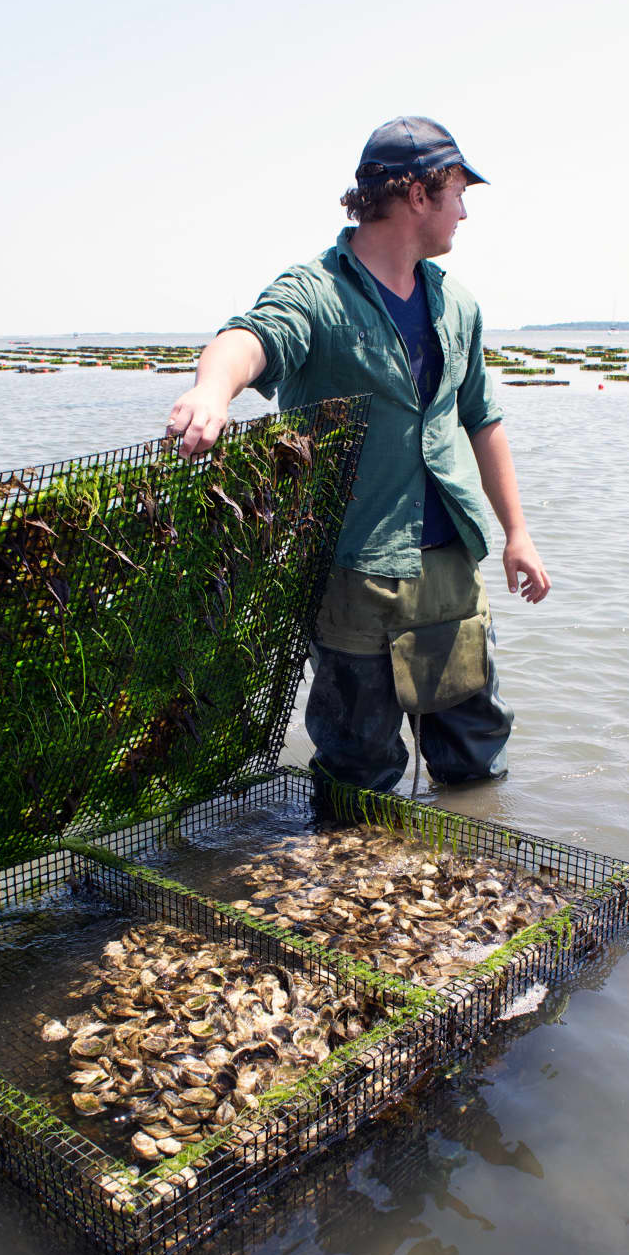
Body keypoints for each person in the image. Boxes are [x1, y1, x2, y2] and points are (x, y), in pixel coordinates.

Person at [166, 116, 550, 795]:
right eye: (458, 194)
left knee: (474, 759)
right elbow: (249, 339)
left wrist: (517, 534)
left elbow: (481, 419)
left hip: (451, 568)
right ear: (418, 194)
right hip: (353, 573)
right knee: (358, 772)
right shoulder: (316, 290)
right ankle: (350, 864)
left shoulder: (456, 304)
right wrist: (211, 391)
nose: (464, 212)